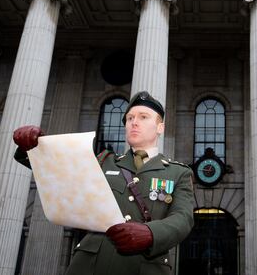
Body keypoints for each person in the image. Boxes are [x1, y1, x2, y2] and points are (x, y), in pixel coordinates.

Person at [13, 91, 195, 275]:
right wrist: (34, 148)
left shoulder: (178, 172)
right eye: (129, 118)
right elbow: (62, 174)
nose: (134, 122)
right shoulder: (104, 161)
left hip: (145, 267)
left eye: (143, 117)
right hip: (90, 265)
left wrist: (151, 233)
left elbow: (183, 218)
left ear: (160, 127)